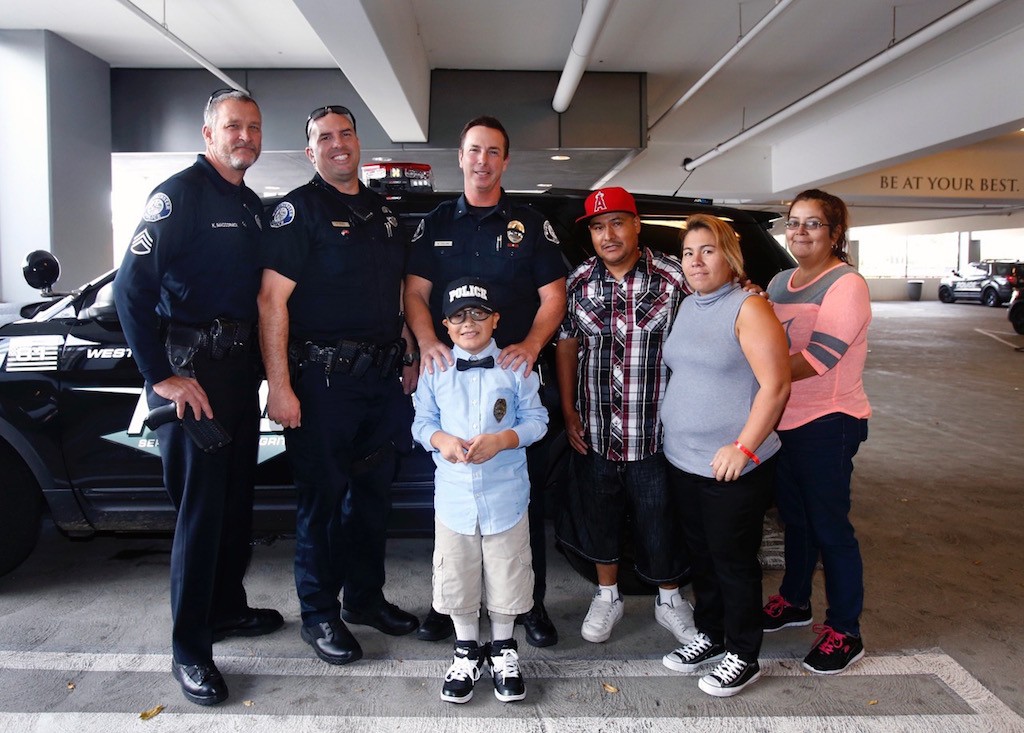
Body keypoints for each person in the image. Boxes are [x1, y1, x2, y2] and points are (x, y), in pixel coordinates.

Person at [112, 88, 283, 706]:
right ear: (208, 132)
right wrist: (160, 375)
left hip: (237, 377)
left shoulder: (249, 204)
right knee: (201, 514)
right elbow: (131, 290)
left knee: (236, 503)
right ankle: (190, 649)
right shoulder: (179, 195)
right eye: (234, 126)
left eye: (254, 128)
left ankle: (226, 609)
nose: (246, 136)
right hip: (193, 377)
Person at [257, 104, 419, 666]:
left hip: (380, 382)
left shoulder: (384, 213)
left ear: (357, 142)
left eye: (345, 134)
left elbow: (397, 295)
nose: (337, 144)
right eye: (324, 138)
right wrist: (280, 386)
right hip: (322, 383)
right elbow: (271, 301)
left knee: (372, 500)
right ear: (311, 151)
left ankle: (365, 599)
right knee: (322, 504)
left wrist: (409, 353)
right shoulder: (297, 212)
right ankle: (319, 614)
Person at [404, 115, 567, 647]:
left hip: (512, 379)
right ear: (461, 156)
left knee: (521, 499)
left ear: (505, 160)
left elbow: (553, 296)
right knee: (452, 501)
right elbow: (415, 292)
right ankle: (452, 610)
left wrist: (533, 345)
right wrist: (429, 342)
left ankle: (530, 606)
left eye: (493, 151)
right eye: (474, 150)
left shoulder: (529, 223)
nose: (482, 161)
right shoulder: (435, 223)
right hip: (450, 377)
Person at [555, 187, 696, 645]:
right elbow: (567, 346)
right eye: (598, 227)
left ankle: (670, 599)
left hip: (656, 430)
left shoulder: (676, 278)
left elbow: (720, 310)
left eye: (617, 222)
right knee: (601, 515)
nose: (607, 234)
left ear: (636, 225)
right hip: (596, 429)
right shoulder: (576, 283)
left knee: (661, 518)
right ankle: (607, 594)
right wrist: (569, 410)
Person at [659, 214, 791, 697]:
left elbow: (775, 386)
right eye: (689, 252)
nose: (696, 261)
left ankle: (744, 651)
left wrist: (743, 446)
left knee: (733, 560)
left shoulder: (750, 306)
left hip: (734, 464)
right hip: (684, 458)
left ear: (729, 256)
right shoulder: (691, 305)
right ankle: (712, 635)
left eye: (708, 250)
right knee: (702, 556)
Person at [412, 277, 548, 704]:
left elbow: (537, 419)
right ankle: (467, 648)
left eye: (478, 314)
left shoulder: (516, 366)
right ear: (445, 326)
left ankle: (504, 648)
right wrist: (441, 441)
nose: (468, 322)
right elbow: (421, 422)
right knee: (457, 573)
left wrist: (504, 439)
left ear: (495, 320)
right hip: (454, 498)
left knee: (508, 571)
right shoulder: (434, 370)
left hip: (505, 494)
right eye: (457, 316)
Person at [761, 189, 871, 675]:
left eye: (813, 224)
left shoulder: (846, 284)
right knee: (795, 519)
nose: (800, 232)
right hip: (784, 419)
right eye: (794, 222)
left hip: (829, 420)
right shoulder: (780, 281)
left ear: (835, 233)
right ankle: (794, 600)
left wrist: (763, 373)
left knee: (829, 527)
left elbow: (820, 357)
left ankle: (846, 629)